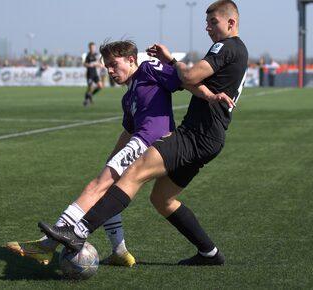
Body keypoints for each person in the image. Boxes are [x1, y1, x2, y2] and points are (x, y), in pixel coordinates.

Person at [39, 0, 247, 266]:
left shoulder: (228, 46)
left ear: (231, 23)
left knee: (133, 174)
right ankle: (210, 253)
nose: (207, 28)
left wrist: (170, 59)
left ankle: (78, 232)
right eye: (206, 23)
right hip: (208, 138)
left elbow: (191, 76)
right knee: (162, 199)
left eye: (212, 22)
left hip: (197, 135)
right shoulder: (235, 50)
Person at [7, 40, 226, 267]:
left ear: (131, 59)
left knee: (96, 186)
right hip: (139, 142)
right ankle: (120, 251)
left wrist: (209, 96)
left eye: (114, 64)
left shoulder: (149, 68)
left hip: (148, 143)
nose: (110, 71)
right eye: (107, 66)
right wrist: (112, 158)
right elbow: (128, 130)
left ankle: (47, 246)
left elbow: (184, 80)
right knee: (113, 189)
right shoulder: (127, 96)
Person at [83, 42, 104, 106]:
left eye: (93, 47)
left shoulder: (96, 55)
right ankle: (86, 100)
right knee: (90, 88)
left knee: (100, 86)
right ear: (89, 48)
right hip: (90, 73)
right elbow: (85, 64)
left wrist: (99, 65)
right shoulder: (88, 55)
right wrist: (90, 65)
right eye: (91, 47)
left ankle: (90, 95)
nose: (93, 48)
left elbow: (98, 63)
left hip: (95, 74)